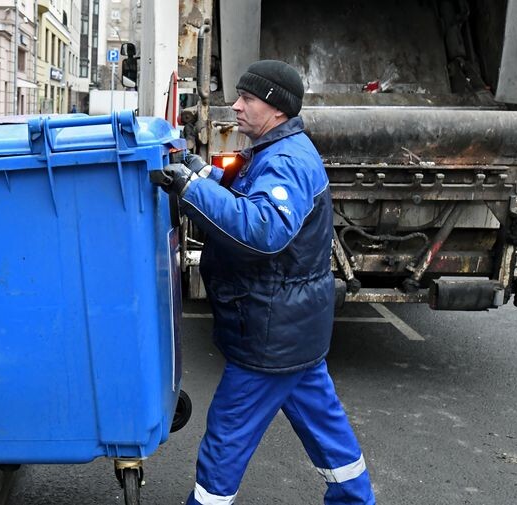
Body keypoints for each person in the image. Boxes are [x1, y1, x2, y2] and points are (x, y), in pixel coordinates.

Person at [152, 60, 376, 504]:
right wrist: (200, 172)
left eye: (247, 98)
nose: (236, 106)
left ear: (276, 108)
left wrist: (190, 189)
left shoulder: (287, 161)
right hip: (293, 328)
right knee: (326, 429)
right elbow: (247, 194)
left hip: (270, 333)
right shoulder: (278, 149)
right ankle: (355, 498)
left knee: (227, 436)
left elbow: (263, 229)